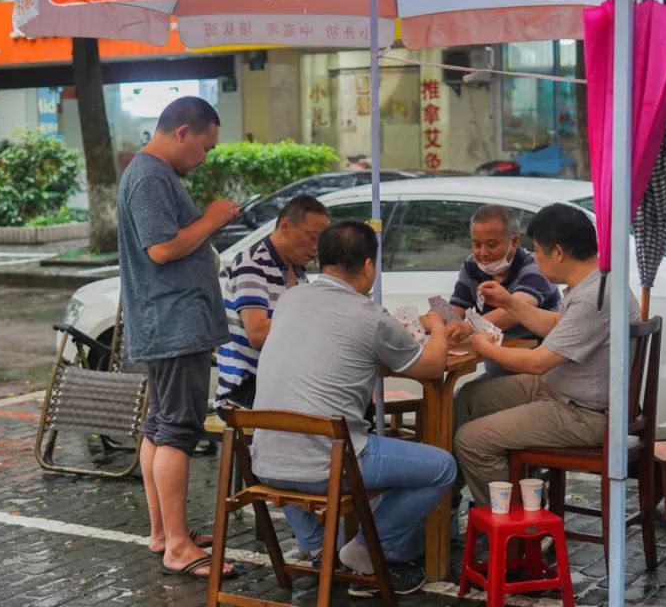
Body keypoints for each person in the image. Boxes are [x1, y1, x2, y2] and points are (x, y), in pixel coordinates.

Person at [249, 221, 457, 596]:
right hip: (331, 463)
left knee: (298, 442)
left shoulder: (291, 299)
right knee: (442, 468)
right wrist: (438, 327)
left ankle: (317, 548)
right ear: (368, 265)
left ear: (322, 261)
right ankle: (365, 550)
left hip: (265, 462)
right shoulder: (370, 315)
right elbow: (431, 366)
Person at [117, 96, 238, 580]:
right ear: (183, 132)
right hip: (173, 323)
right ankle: (178, 547)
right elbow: (162, 249)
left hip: (169, 322)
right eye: (205, 147)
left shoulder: (152, 173)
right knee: (177, 430)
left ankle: (165, 534)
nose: (204, 158)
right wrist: (212, 219)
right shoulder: (149, 176)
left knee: (159, 427)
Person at [453, 203, 640, 509]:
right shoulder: (597, 283)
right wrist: (510, 303)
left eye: (538, 251)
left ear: (558, 252)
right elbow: (554, 324)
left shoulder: (595, 297)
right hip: (559, 391)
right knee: (469, 397)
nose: (535, 258)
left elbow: (538, 362)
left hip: (583, 413)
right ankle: (450, 497)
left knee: (472, 440)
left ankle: (513, 523)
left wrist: (485, 347)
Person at [214, 195, 331, 408]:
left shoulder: (298, 271)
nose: (316, 247)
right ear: (285, 226)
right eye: (312, 237)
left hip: (282, 387)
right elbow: (258, 334)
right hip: (246, 392)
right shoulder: (253, 264)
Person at [445, 204, 561, 378]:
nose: (483, 252)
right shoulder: (471, 265)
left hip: (540, 372)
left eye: (491, 244)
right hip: (497, 370)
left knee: (470, 394)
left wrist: (468, 327)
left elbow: (515, 310)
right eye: (476, 244)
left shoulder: (536, 266)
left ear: (514, 241)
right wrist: (441, 321)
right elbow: (455, 310)